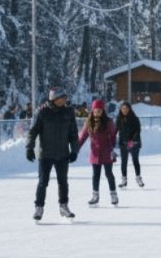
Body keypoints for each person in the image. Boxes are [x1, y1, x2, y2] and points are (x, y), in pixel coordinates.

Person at [26, 89, 80, 223]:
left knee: (63, 182)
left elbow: (73, 133)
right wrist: (29, 147)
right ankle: (39, 207)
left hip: (63, 153)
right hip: (46, 154)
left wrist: (74, 150)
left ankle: (64, 206)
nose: (63, 100)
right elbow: (33, 131)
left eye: (65, 97)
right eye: (61, 98)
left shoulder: (68, 112)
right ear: (53, 99)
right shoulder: (42, 112)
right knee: (43, 182)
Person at [78, 99, 119, 207]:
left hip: (106, 152)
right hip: (95, 153)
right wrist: (76, 148)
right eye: (95, 111)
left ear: (103, 111)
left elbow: (113, 135)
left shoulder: (108, 122)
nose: (97, 113)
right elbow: (83, 137)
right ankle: (95, 196)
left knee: (109, 174)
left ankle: (113, 195)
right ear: (92, 110)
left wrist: (112, 148)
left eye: (99, 111)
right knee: (95, 175)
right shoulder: (89, 122)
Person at [116, 102, 144, 188]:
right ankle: (124, 180)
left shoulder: (135, 118)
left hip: (134, 143)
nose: (124, 110)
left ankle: (138, 177)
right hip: (123, 143)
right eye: (122, 108)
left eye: (126, 108)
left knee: (135, 160)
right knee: (123, 162)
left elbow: (138, 130)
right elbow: (115, 130)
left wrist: (132, 141)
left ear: (129, 109)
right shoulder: (119, 118)